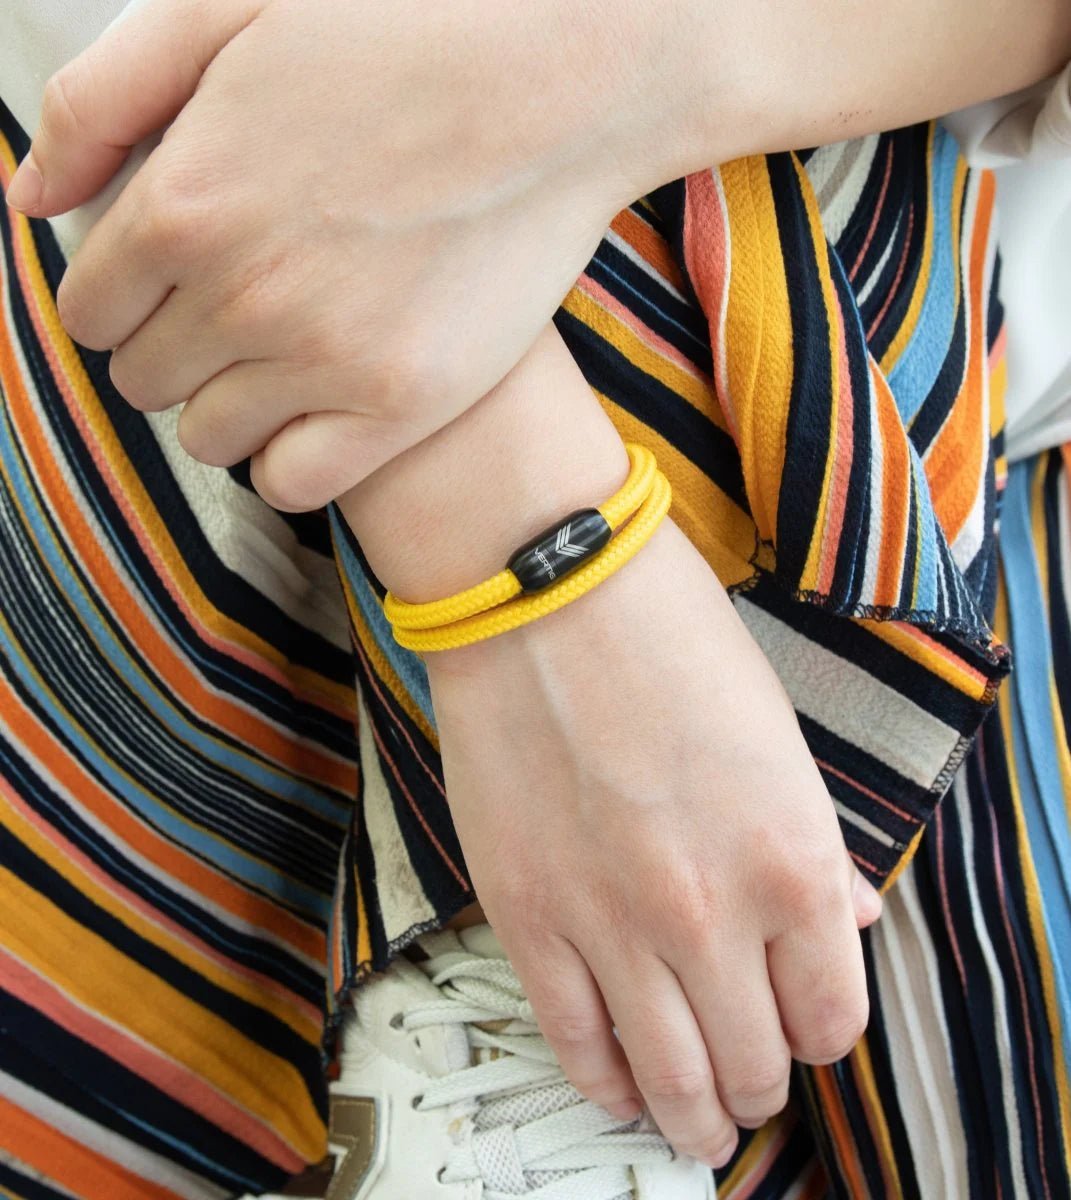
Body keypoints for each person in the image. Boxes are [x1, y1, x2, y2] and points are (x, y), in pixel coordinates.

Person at [0, 1, 1068, 1196]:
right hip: (190, 405)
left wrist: (583, 71)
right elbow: (139, 105)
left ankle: (537, 1012)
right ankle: (524, 1000)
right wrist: (521, 535)